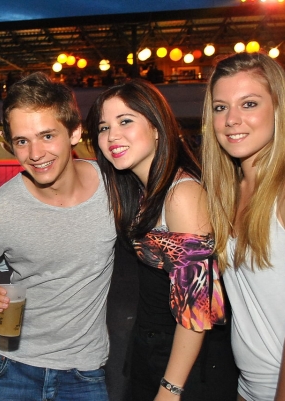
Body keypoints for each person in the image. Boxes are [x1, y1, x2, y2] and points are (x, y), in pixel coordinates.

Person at [0, 72, 117, 400]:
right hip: (12, 367)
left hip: (85, 370)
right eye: (22, 141)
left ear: (74, 132)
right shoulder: (0, 210)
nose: (35, 153)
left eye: (47, 136)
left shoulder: (113, 190)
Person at [85, 79, 238, 400]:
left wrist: (170, 388)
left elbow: (198, 310)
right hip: (152, 350)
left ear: (156, 128)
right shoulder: (140, 190)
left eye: (125, 121)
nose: (112, 136)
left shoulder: (182, 194)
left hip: (188, 366)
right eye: (103, 127)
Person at [201, 52, 285, 401]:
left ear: (278, 108)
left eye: (249, 104)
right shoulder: (228, 191)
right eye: (220, 107)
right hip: (251, 387)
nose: (231, 119)